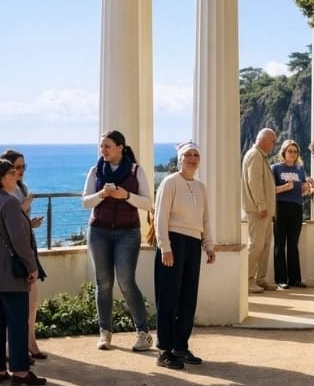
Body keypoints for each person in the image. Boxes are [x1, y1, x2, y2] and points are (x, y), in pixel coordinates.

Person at [0, 159, 46, 386]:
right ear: (0, 177)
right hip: (10, 271)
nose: (16, 175)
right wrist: (32, 266)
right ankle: (20, 372)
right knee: (17, 321)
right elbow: (20, 241)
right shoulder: (9, 203)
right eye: (11, 172)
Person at [82, 130, 154, 351]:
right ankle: (105, 333)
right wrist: (102, 194)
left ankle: (143, 333)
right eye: (101, 146)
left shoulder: (136, 171)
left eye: (107, 146)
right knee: (103, 284)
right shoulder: (95, 171)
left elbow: (148, 203)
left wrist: (126, 196)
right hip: (99, 232)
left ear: (120, 148)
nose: (103, 150)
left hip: (128, 233)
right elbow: (85, 202)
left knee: (126, 282)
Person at [154, 142, 216, 370]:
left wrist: (209, 245)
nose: (191, 158)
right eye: (187, 155)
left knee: (188, 298)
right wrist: (165, 247)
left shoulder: (201, 187)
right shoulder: (170, 183)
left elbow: (206, 219)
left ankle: (180, 345)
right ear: (179, 159)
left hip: (193, 244)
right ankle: (164, 350)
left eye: (195, 155)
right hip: (173, 242)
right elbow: (160, 217)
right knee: (168, 298)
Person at [0, 149, 47, 360]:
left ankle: (30, 342)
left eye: (23, 167)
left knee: (32, 299)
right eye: (17, 167)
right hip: (15, 252)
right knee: (18, 303)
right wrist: (23, 207)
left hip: (29, 247)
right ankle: (17, 349)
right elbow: (7, 222)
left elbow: (21, 224)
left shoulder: (22, 187)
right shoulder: (4, 192)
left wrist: (31, 223)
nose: (21, 171)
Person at [241, 128, 277, 294]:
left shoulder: (260, 156)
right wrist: (261, 205)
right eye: (273, 141)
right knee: (256, 245)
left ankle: (260, 279)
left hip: (265, 212)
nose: (274, 144)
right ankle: (247, 280)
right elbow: (253, 181)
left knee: (264, 245)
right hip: (258, 211)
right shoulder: (255, 155)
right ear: (263, 140)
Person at [271, 139, 310, 289]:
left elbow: (304, 191)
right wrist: (285, 187)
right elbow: (270, 190)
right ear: (284, 152)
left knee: (293, 244)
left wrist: (306, 188)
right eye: (290, 151)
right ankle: (281, 279)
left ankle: (295, 279)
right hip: (280, 207)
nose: (293, 154)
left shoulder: (300, 170)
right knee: (280, 244)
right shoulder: (275, 168)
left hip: (297, 208)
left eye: (295, 151)